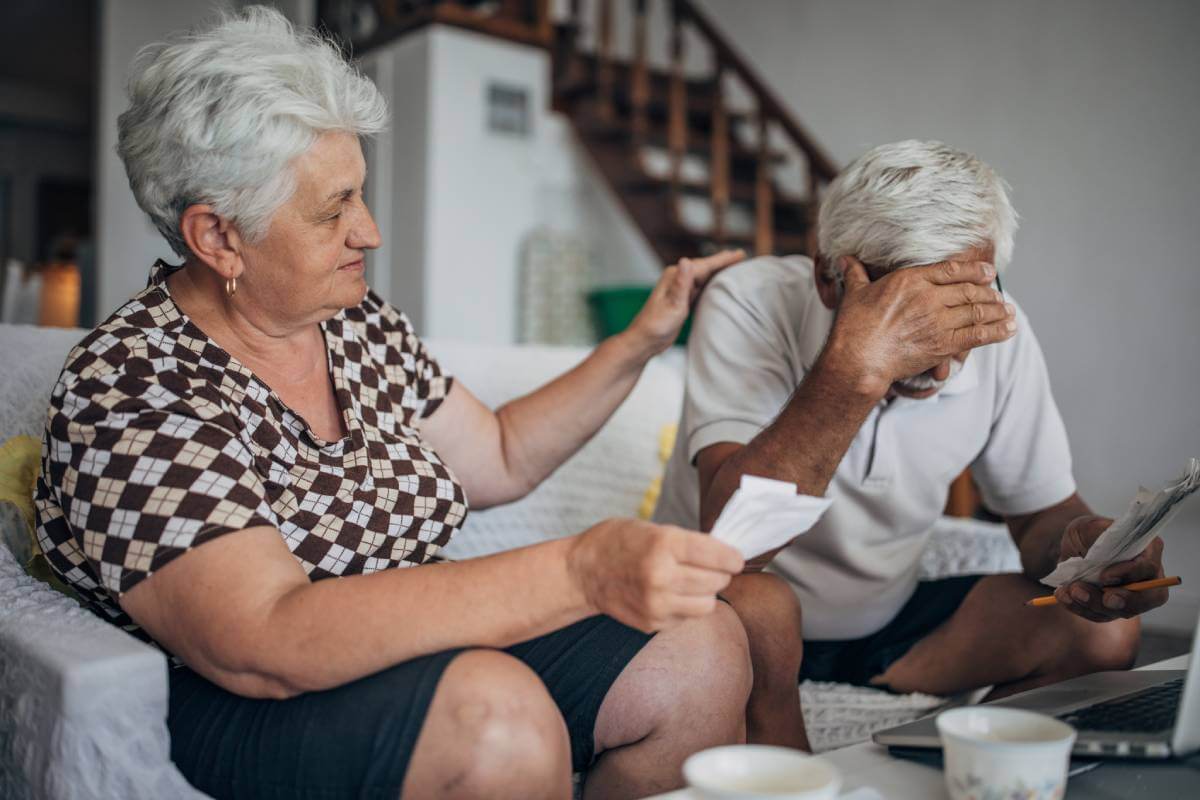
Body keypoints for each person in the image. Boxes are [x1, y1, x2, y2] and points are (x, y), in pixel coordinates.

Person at [34, 8, 753, 799]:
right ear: (217, 237)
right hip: (242, 697)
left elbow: (504, 455)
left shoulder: (357, 325)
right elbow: (261, 634)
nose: (369, 232)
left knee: (700, 645)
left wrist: (641, 340)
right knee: (497, 717)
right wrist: (578, 570)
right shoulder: (131, 382)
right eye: (332, 209)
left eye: (362, 196)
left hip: (411, 651)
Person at [653, 140, 1166, 749]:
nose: (945, 369)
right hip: (733, 614)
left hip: (889, 629)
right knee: (760, 602)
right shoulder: (749, 300)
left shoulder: (1004, 328)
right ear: (828, 277)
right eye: (913, 322)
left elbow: (1039, 520)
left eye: (960, 316)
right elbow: (734, 542)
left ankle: (927, 761)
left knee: (1100, 637)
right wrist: (855, 370)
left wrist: (1089, 551)